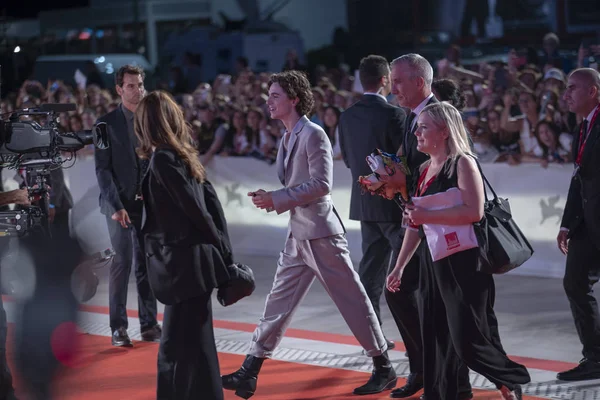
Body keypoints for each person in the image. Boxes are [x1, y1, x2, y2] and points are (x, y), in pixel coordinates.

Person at [221, 70, 396, 398]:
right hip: (299, 234)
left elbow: (322, 184)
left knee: (353, 301)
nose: (268, 101)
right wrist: (275, 196)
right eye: (269, 95)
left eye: (275, 95)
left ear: (294, 99)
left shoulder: (313, 134)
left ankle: (384, 368)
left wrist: (277, 199)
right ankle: (249, 371)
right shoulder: (288, 137)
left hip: (320, 235)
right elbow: (299, 183)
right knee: (277, 303)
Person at [384, 102, 530, 400]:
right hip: (432, 261)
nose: (416, 132)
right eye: (417, 126)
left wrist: (426, 217)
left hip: (465, 263)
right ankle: (449, 393)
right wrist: (398, 267)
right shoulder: (424, 169)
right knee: (437, 335)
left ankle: (509, 378)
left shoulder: (463, 162)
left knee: (466, 337)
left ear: (445, 131)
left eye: (424, 127)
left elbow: (474, 212)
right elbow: (415, 224)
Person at [135, 90, 226, 400]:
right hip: (194, 268)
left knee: (174, 351)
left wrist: (223, 258)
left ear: (148, 123)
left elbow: (198, 212)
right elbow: (207, 207)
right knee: (198, 348)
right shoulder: (181, 155)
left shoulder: (163, 158)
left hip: (184, 269)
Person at [337, 54, 406, 349]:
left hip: (365, 203)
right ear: (384, 80)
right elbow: (403, 162)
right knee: (407, 272)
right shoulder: (395, 115)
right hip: (393, 205)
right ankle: (416, 337)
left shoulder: (346, 116)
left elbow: (350, 160)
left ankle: (374, 338)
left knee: (371, 274)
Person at [94, 65, 160, 347]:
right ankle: (118, 327)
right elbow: (102, 170)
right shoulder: (103, 125)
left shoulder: (152, 120)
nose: (138, 90)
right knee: (122, 262)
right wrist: (116, 205)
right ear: (119, 90)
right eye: (131, 86)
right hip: (116, 205)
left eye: (140, 84)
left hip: (147, 204)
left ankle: (148, 324)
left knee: (147, 263)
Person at [556, 68, 600, 381]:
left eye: (573, 88)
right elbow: (578, 178)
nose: (566, 94)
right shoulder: (583, 126)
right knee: (575, 282)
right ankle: (595, 357)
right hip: (587, 222)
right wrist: (567, 223)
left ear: (593, 91)